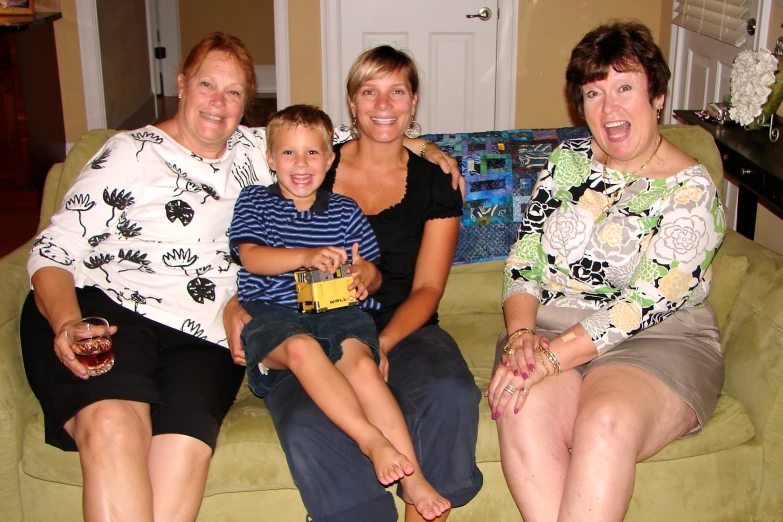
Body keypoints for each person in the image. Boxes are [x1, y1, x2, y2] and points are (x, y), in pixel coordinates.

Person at [20, 31, 458, 522]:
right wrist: (66, 322)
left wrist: (430, 148)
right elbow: (52, 250)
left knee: (184, 449)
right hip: (112, 310)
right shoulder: (130, 153)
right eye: (207, 84)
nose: (217, 103)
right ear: (182, 84)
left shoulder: (256, 149)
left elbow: (364, 128)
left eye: (233, 92)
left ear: (246, 106)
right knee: (115, 427)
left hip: (200, 337)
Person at [227, 45, 483, 522]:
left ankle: (421, 498)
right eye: (370, 92)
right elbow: (252, 252)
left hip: (393, 325)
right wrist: (231, 307)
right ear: (352, 102)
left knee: (450, 393)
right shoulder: (315, 164)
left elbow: (426, 288)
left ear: (413, 102)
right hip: (301, 322)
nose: (383, 105)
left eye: (397, 92)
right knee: (313, 422)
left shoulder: (432, 180)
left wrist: (379, 339)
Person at [486, 21, 726, 522]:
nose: (609, 108)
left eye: (625, 87)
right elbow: (526, 256)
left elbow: (640, 306)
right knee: (519, 403)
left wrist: (551, 360)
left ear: (657, 95)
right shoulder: (567, 161)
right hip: (550, 327)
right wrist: (521, 335)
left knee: (605, 422)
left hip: (657, 339)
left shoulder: (691, 191)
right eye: (594, 93)